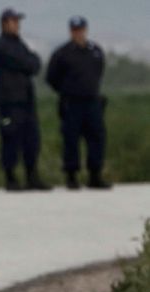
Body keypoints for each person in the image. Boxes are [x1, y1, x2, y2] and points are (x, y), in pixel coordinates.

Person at [0, 9, 49, 191]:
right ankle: (11, 178)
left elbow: (35, 63)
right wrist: (28, 62)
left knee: (31, 140)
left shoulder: (20, 44)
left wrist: (28, 62)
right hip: (9, 102)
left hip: (27, 101)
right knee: (11, 139)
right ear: (5, 23)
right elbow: (25, 62)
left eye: (17, 21)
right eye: (14, 21)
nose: (17, 25)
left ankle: (32, 176)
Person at [46, 16, 110, 189]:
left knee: (96, 137)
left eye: (81, 29)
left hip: (92, 101)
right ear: (70, 31)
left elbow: (99, 70)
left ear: (85, 30)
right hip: (71, 102)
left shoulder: (94, 50)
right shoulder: (62, 53)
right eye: (75, 30)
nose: (78, 33)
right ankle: (72, 175)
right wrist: (67, 90)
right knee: (71, 138)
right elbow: (52, 77)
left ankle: (95, 175)